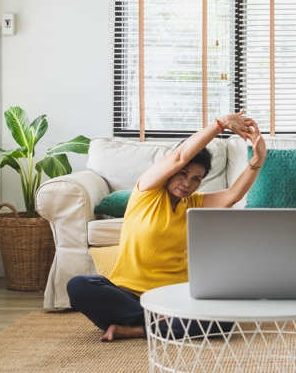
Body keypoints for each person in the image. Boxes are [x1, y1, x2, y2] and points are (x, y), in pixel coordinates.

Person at [67, 111, 267, 341]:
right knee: (79, 286)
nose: (187, 183)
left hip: (173, 297)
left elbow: (231, 196)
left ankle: (138, 329)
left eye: (196, 179)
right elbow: (180, 156)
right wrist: (220, 124)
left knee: (226, 313)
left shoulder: (193, 204)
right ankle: (166, 325)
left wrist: (257, 161)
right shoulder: (148, 191)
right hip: (126, 296)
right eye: (183, 174)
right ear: (171, 172)